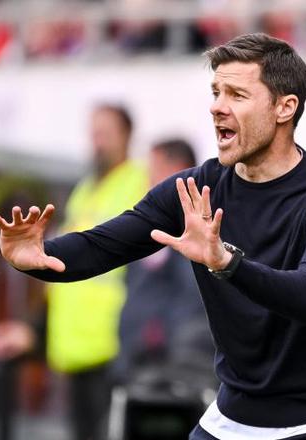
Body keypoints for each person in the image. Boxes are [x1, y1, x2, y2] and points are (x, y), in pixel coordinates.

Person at [0, 33, 306, 440]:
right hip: (234, 415)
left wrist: (226, 262)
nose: (217, 106)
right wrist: (37, 256)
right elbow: (102, 246)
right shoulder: (198, 187)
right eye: (216, 92)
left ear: (285, 107)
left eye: (237, 95)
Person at [0, 103, 148, 440]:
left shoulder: (139, 183)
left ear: (127, 136)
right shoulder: (85, 191)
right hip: (75, 346)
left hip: (114, 348)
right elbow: (62, 268)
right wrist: (34, 329)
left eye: (105, 134)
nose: (97, 142)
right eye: (94, 134)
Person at [113, 138, 214, 385]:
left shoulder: (196, 235)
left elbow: (193, 305)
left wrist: (159, 346)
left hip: (169, 376)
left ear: (177, 172)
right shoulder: (151, 229)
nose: (147, 183)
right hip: (136, 367)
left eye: (154, 172)